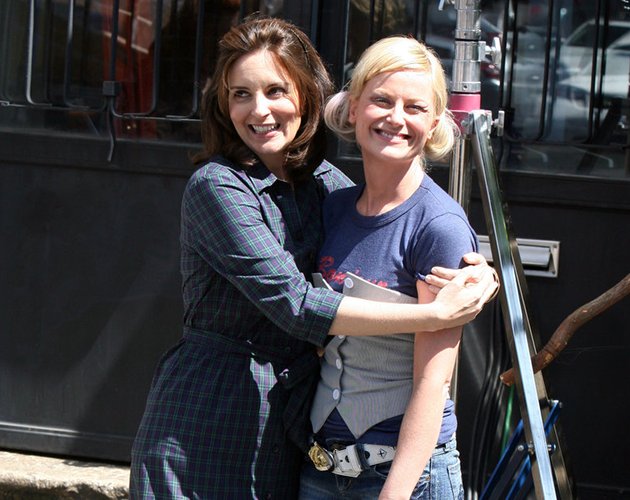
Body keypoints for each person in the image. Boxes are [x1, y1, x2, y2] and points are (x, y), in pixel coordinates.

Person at [129, 17, 498, 500]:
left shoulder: (328, 186)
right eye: (240, 94)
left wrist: (479, 270)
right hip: (209, 417)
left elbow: (397, 229)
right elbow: (295, 304)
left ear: (306, 95)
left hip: (292, 432)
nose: (259, 110)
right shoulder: (219, 187)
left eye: (276, 90)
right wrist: (431, 314)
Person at [299, 36, 480, 499]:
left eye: (414, 107)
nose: (396, 118)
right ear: (354, 106)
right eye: (382, 100)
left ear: (435, 121)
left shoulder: (438, 225)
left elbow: (432, 379)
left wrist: (395, 493)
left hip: (404, 477)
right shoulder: (333, 208)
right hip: (320, 469)